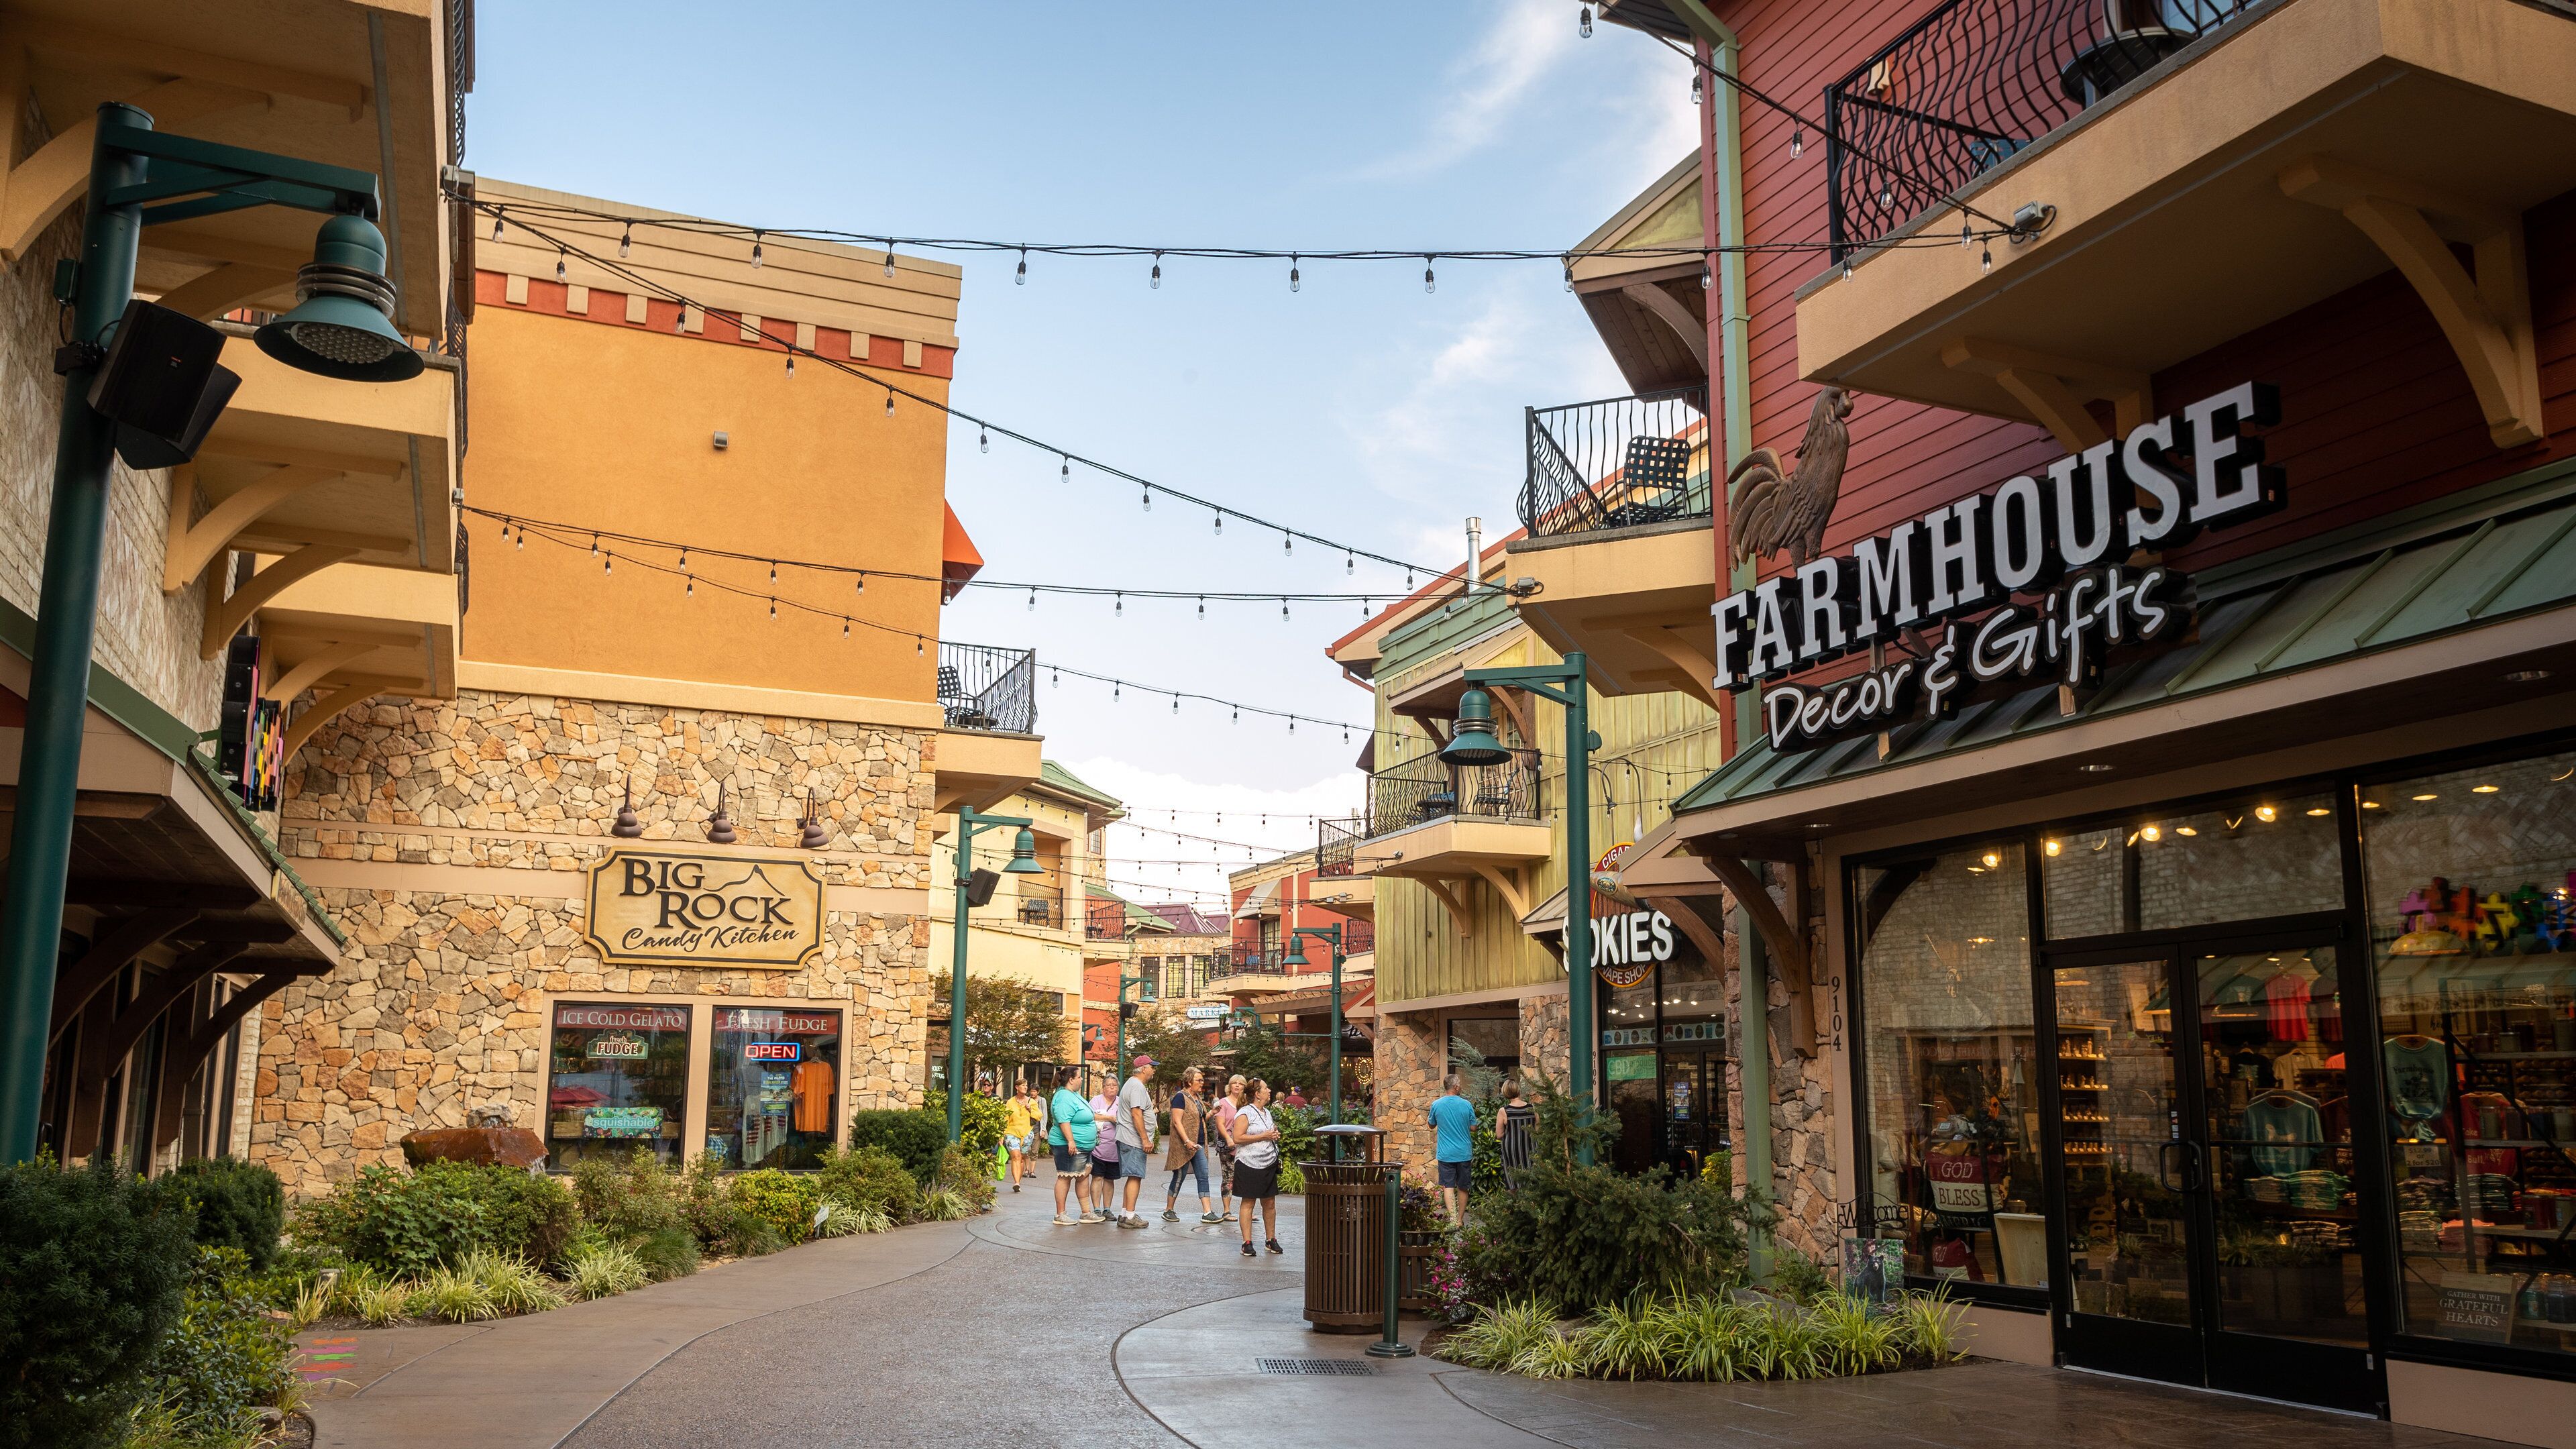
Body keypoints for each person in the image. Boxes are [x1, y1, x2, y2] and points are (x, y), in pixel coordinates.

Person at [1230, 1077, 1285, 1256]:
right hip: (1249, 1164)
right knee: (1248, 1202)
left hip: (1268, 1163)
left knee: (1269, 1202)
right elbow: (1237, 1138)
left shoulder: (1266, 1112)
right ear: (1257, 1094)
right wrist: (1264, 1136)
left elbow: (1267, 1133)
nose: (1269, 1090)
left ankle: (1271, 1240)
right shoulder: (1245, 1113)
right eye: (1266, 1088)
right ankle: (1247, 1243)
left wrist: (1273, 1135)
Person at [1163, 1065, 1218, 1224]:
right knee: (1179, 1176)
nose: (1202, 1083)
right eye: (1199, 1080)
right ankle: (1169, 1210)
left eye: (1202, 1080)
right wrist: (1187, 1141)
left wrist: (1212, 1113)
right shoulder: (1180, 1097)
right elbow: (1176, 1121)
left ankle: (1207, 1212)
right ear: (1188, 1081)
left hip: (1198, 1144)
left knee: (1203, 1176)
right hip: (1184, 1144)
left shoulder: (1197, 1098)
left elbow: (1199, 1120)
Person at [1046, 1066, 1094, 1226]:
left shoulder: (1073, 1095)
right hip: (1067, 1144)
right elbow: (1063, 1120)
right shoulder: (1064, 1097)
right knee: (1065, 1176)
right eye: (1079, 1077)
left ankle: (1086, 1212)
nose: (1082, 1079)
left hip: (1082, 1144)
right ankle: (1060, 1214)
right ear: (1071, 1080)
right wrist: (1071, 1141)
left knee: (1082, 1176)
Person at [1114, 1055, 1159, 1228]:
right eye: (1151, 1067)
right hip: (1133, 1139)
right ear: (1143, 1069)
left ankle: (1126, 1214)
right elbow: (1136, 1114)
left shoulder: (1131, 1085)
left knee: (1133, 1176)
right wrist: (1145, 1139)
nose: (1153, 1070)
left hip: (1128, 1137)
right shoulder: (1137, 1087)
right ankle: (1130, 1217)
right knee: (1135, 1176)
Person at [1428, 1071, 1478, 1226]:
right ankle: (1460, 1220)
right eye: (1460, 1085)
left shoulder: (1436, 1105)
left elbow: (1431, 1125)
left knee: (1448, 1185)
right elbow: (1474, 1127)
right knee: (1463, 1186)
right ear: (1456, 1087)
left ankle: (1452, 1218)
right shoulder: (1466, 1105)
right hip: (1463, 1153)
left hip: (1445, 1154)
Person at [1087, 1078, 1122, 1222]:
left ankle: (1107, 1209)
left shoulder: (1121, 1102)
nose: (1112, 1088)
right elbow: (1090, 1115)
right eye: (1108, 1085)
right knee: (1097, 1177)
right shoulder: (1096, 1100)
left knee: (1110, 1179)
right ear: (1103, 1088)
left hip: (1115, 1148)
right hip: (1098, 1147)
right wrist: (1109, 1118)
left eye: (1115, 1085)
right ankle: (1096, 1209)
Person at [1212, 1075, 1244, 1222]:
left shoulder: (1245, 1104)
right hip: (1227, 1145)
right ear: (1230, 1086)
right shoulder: (1223, 1103)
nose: (1237, 1086)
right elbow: (1220, 1124)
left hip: (1243, 1145)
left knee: (1245, 1177)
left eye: (1240, 1084)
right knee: (1228, 1177)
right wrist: (1228, 1139)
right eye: (1234, 1083)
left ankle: (1246, 1211)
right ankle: (1226, 1211)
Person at [1003, 1079, 1044, 1193]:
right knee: (1016, 1156)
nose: (1026, 1087)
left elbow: (1039, 1116)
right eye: (1023, 1085)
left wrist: (1030, 1109)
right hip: (1012, 1132)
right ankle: (1016, 1182)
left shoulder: (1031, 1102)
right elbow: (1006, 1119)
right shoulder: (1010, 1102)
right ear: (1017, 1087)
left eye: (1026, 1085)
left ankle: (1019, 1182)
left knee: (1021, 1158)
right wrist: (1002, 1134)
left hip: (1027, 1133)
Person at [1495, 1077, 1536, 1191]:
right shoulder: (1532, 1108)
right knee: (1531, 1177)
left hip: (1512, 1151)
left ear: (1505, 1093)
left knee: (1513, 1181)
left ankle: (1515, 1205)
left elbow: (1499, 1135)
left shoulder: (1504, 1111)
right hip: (1530, 1148)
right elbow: (1538, 1130)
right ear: (1518, 1090)